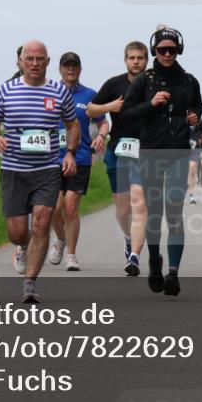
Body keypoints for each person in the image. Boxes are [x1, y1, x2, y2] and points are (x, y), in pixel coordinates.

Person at [0, 40, 79, 303]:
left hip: (47, 169)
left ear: (48, 62)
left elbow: (72, 125)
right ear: (20, 61)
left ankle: (30, 283)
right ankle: (22, 247)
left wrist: (69, 153)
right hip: (14, 169)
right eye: (30, 59)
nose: (35, 64)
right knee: (16, 232)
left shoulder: (59, 91)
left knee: (41, 221)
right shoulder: (7, 90)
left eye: (40, 59)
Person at [121, 25, 202, 296]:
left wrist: (194, 119)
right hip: (151, 151)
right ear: (155, 50)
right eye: (161, 50)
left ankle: (174, 273)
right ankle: (155, 262)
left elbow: (197, 109)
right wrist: (151, 103)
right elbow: (127, 114)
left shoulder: (189, 81)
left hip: (178, 151)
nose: (167, 54)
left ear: (179, 50)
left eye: (172, 49)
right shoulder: (145, 80)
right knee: (154, 213)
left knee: (175, 212)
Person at [87, 41, 149, 275]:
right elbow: (90, 110)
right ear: (125, 60)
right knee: (123, 211)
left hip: (145, 152)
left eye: (140, 58)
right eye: (132, 58)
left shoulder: (153, 83)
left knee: (140, 204)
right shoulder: (114, 84)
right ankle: (127, 237)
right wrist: (109, 106)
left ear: (146, 60)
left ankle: (134, 256)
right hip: (118, 150)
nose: (136, 62)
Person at [48, 52, 108, 271]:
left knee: (71, 206)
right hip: (52, 157)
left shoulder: (90, 95)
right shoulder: (50, 92)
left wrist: (101, 136)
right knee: (54, 208)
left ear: (80, 69)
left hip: (80, 157)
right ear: (60, 69)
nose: (70, 69)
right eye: (66, 66)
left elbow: (103, 121)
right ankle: (60, 239)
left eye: (74, 66)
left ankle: (71, 255)